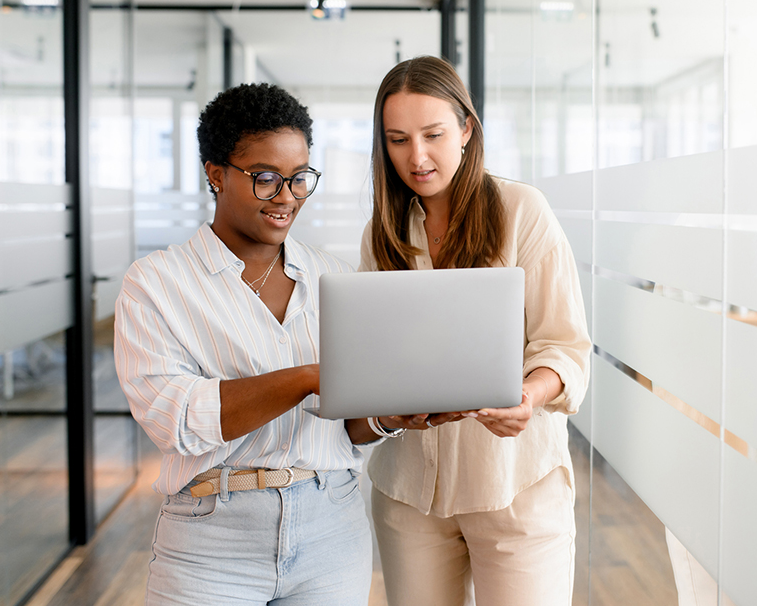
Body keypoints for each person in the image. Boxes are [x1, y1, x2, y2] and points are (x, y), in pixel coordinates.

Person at [114, 83, 372, 606]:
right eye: (266, 179)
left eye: (300, 178)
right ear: (216, 174)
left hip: (332, 528)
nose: (287, 198)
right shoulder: (156, 284)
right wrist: (307, 377)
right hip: (212, 539)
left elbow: (352, 426)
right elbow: (178, 420)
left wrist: (394, 415)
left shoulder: (335, 277)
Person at [350, 56, 592, 605]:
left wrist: (529, 395)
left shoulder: (521, 211)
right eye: (398, 139)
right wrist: (385, 405)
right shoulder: (382, 231)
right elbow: (376, 355)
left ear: (466, 129)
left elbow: (566, 344)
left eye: (434, 134)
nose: (417, 157)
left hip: (516, 484)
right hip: (410, 491)